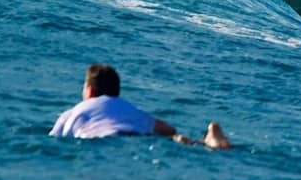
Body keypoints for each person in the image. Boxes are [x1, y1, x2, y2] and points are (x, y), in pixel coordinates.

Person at [49, 64, 231, 149]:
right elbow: (168, 129)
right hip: (135, 137)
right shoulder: (129, 109)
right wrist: (174, 135)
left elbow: (53, 141)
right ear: (116, 91)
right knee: (178, 140)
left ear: (89, 91)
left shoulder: (73, 113)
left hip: (99, 141)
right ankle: (209, 141)